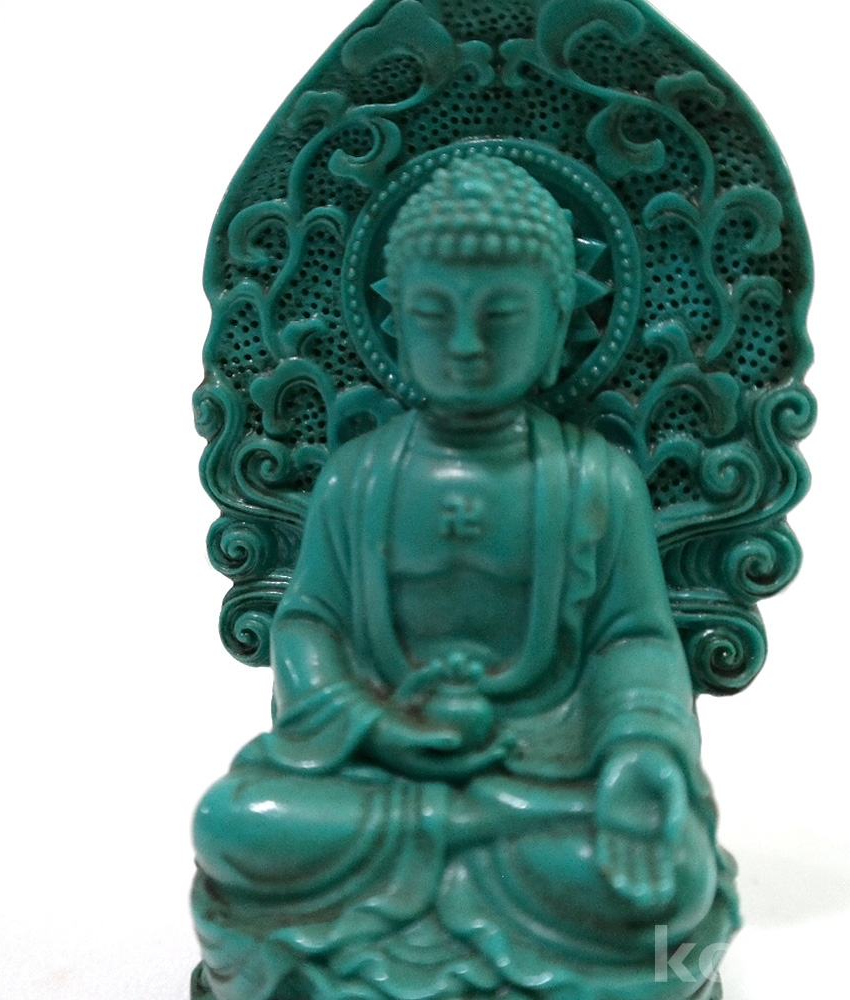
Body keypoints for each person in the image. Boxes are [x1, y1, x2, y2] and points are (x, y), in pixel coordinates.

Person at [191, 155, 737, 1000]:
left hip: (550, 774)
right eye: (433, 314)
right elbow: (308, 626)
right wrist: (376, 723)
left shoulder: (596, 480)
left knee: (676, 881)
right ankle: (470, 830)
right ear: (394, 319)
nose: (466, 345)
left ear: (558, 323)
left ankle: (466, 843)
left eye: (502, 316)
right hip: (382, 772)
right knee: (235, 821)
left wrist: (640, 751)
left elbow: (632, 638)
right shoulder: (357, 477)